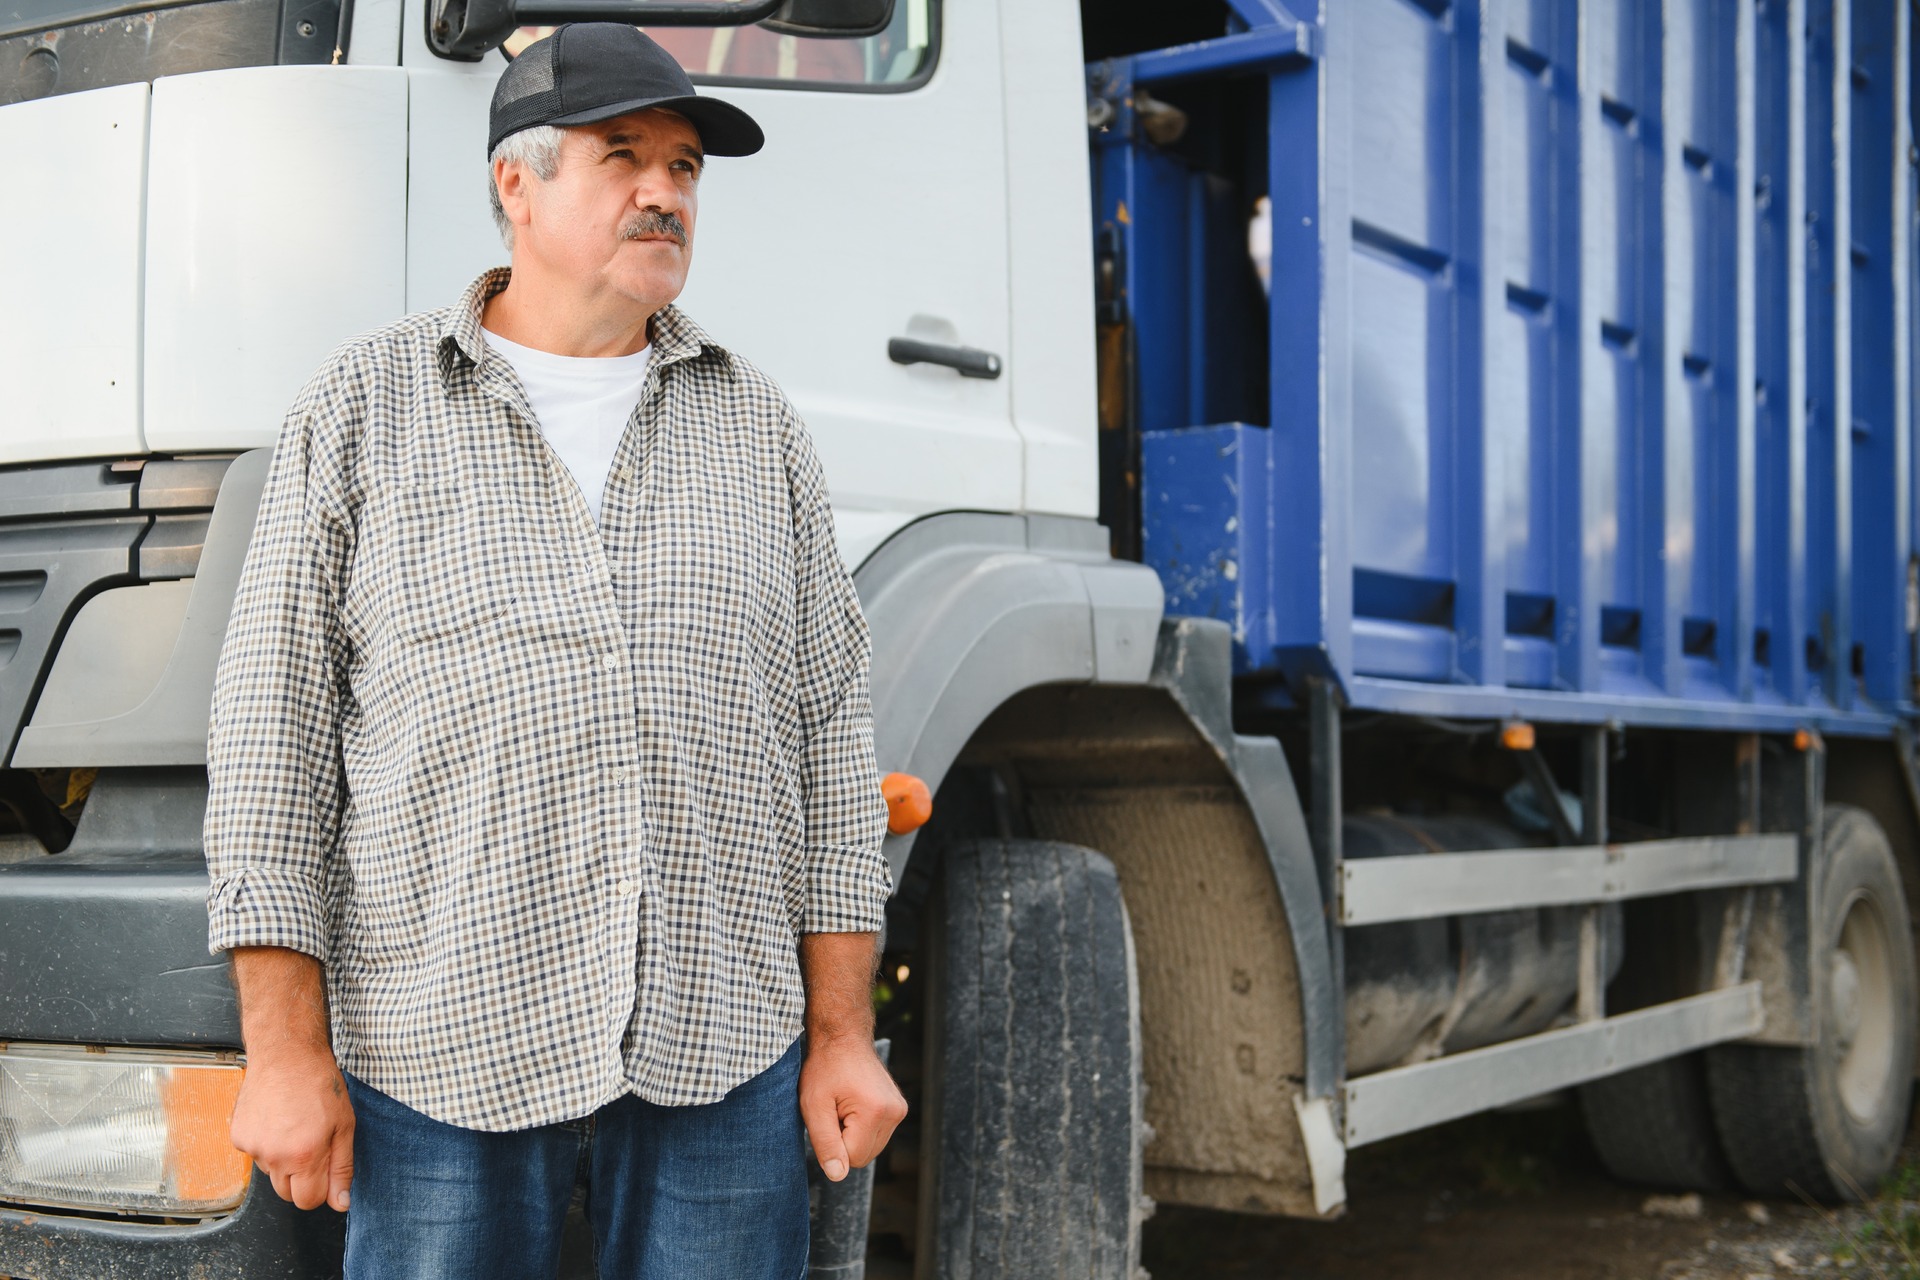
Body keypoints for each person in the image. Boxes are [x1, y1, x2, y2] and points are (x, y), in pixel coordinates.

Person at [202, 23, 905, 1278]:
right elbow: (273, 745)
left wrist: (843, 1034)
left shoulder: (760, 428)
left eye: (685, 165)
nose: (664, 191)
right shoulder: (363, 411)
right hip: (443, 1048)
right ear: (512, 185)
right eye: (622, 155)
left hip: (724, 1045)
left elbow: (829, 749)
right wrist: (285, 1051)